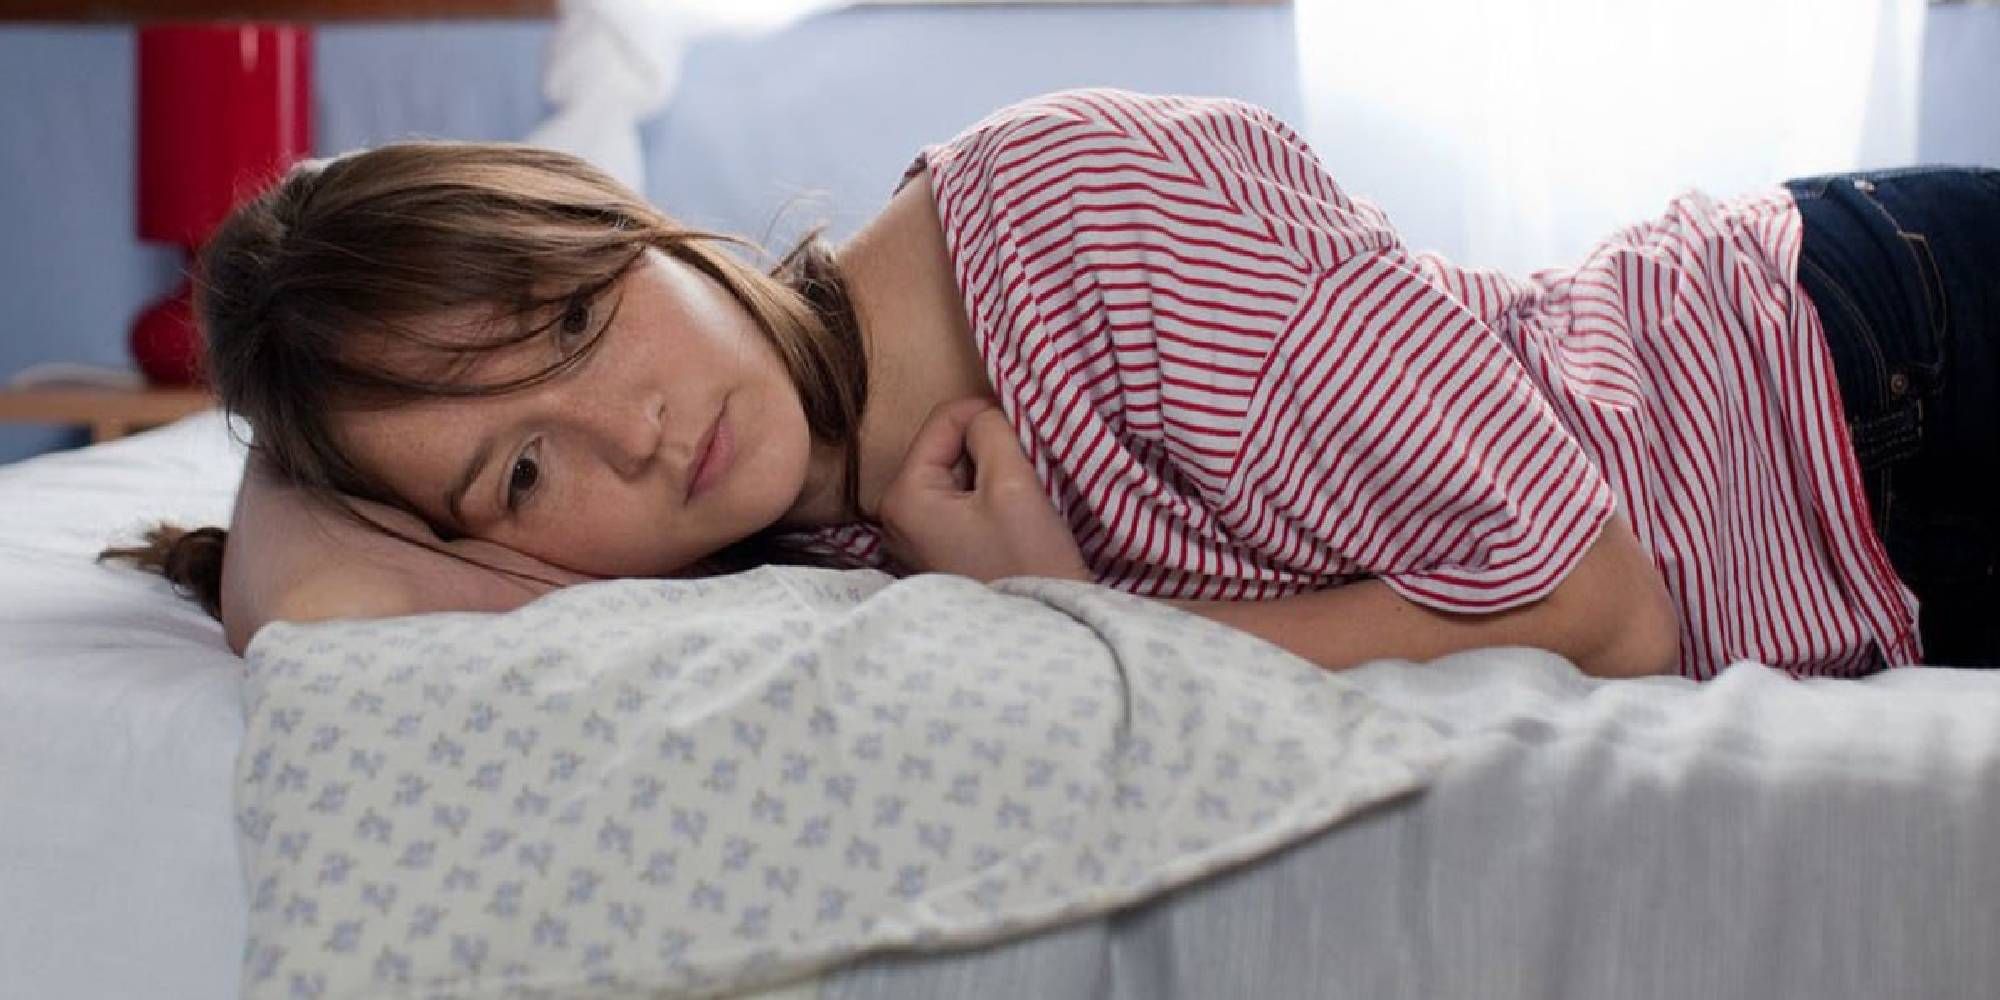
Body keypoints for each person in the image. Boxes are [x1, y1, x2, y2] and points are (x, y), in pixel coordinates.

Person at [102, 87, 2000, 679]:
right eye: (520, 479)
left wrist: (1056, 619)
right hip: (1866, 549)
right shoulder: (806, 556)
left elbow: (1596, 604)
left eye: (585, 321)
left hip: (1864, 367)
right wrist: (306, 409)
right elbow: (311, 607)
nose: (635, 434)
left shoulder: (1092, 213)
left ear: (638, 224)